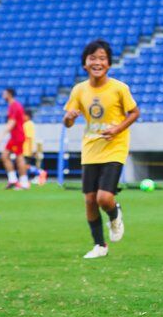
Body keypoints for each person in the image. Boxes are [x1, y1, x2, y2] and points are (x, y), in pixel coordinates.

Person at [63, 40, 139, 260]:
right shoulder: (79, 90)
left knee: (103, 198)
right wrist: (68, 118)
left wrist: (117, 129)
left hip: (114, 147)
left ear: (109, 63)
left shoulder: (119, 88)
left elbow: (134, 112)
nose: (97, 62)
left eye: (102, 58)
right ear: (85, 64)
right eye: (93, 58)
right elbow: (67, 121)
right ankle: (100, 245)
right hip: (90, 149)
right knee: (89, 200)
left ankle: (114, 213)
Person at [0, 87, 29, 190]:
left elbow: (12, 122)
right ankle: (13, 180)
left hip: (17, 136)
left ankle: (24, 182)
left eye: (4, 93)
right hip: (15, 136)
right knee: (5, 155)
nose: (3, 95)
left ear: (9, 94)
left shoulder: (14, 106)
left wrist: (1, 135)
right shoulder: (13, 105)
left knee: (19, 158)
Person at [23, 109, 47, 185]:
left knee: (25, 166)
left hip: (26, 149)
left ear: (27, 116)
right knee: (25, 166)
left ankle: (40, 172)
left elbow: (29, 138)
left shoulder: (29, 124)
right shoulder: (26, 124)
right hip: (24, 149)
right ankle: (26, 180)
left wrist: (32, 150)